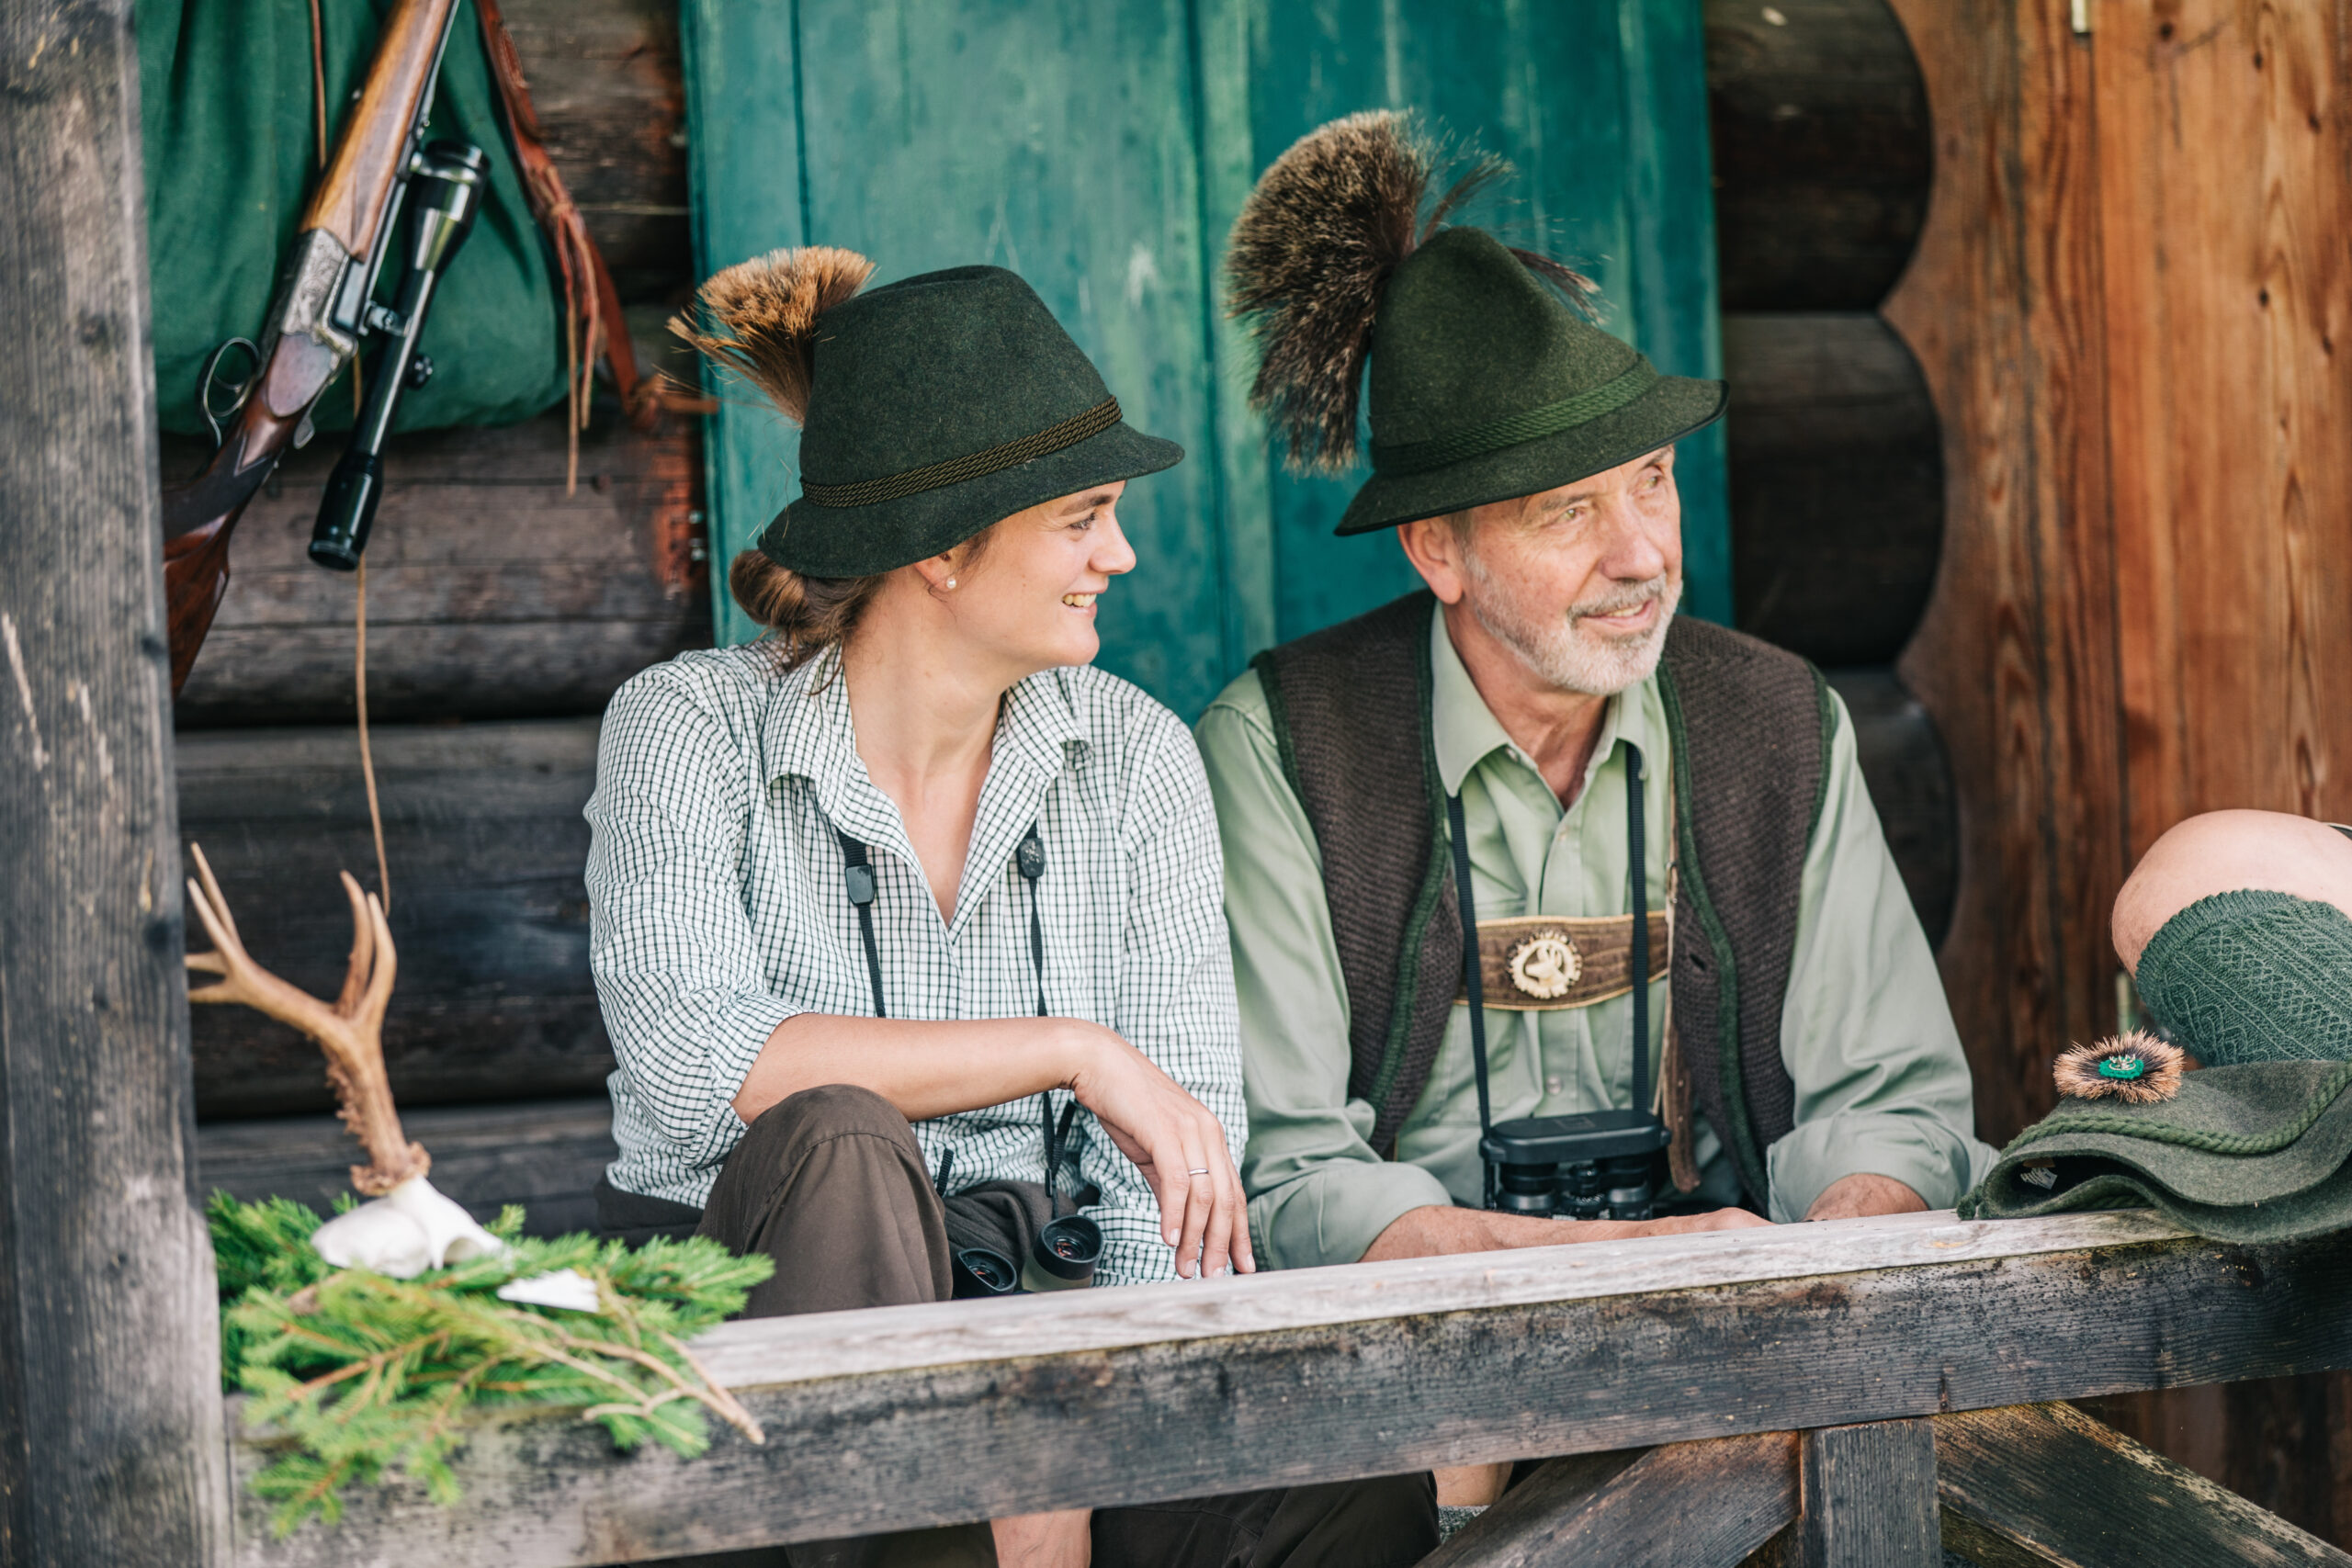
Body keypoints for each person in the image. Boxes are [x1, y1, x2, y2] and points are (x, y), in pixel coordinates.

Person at [583, 248, 1435, 1568]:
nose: (1121, 554)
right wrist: (1071, 1051)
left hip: (1069, 1346)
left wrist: (1066, 1454)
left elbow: (1177, 1190)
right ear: (942, 547)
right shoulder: (688, 727)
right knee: (841, 1140)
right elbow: (700, 1066)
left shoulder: (1136, 755)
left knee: (1357, 1482)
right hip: (771, 1390)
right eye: (1082, 517)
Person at [1201, 111, 1995, 1506]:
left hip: (1736, 1389)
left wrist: (1828, 1252)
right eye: (1567, 510)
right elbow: (1286, 1177)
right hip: (1405, 1408)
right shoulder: (1283, 747)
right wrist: (1618, 1270)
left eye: (1651, 480)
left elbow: (1893, 1101)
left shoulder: (1774, 725)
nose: (1642, 555)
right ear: (1437, 548)